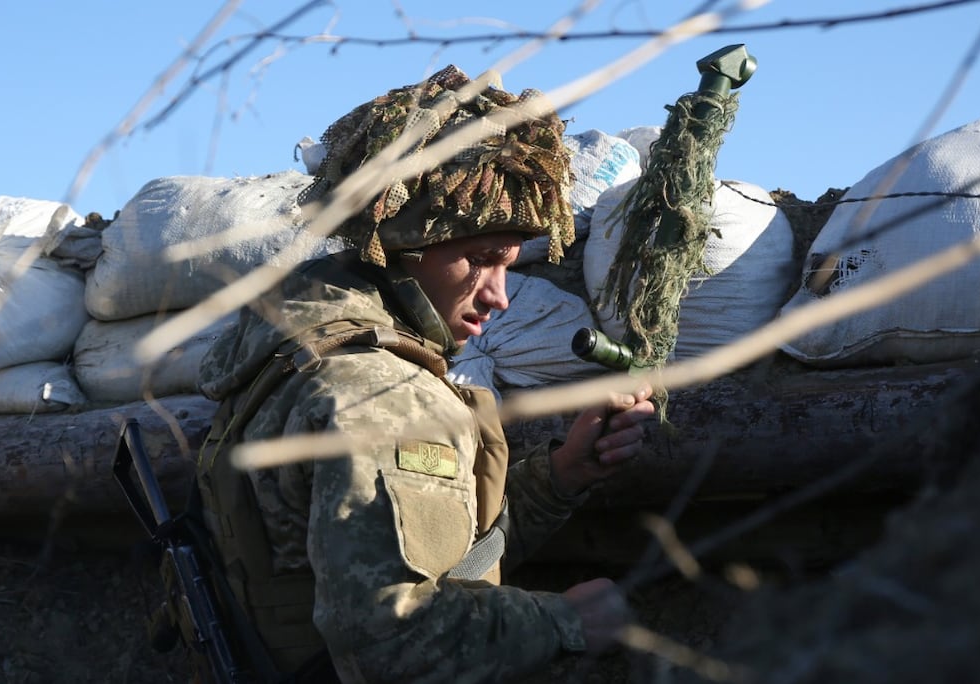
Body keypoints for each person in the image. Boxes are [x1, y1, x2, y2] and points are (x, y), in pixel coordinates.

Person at [193, 65, 657, 683]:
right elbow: (393, 645)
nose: (499, 298)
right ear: (407, 242)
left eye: (508, 265)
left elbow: (420, 559)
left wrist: (562, 475)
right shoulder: (381, 395)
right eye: (482, 260)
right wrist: (566, 622)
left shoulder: (295, 346)